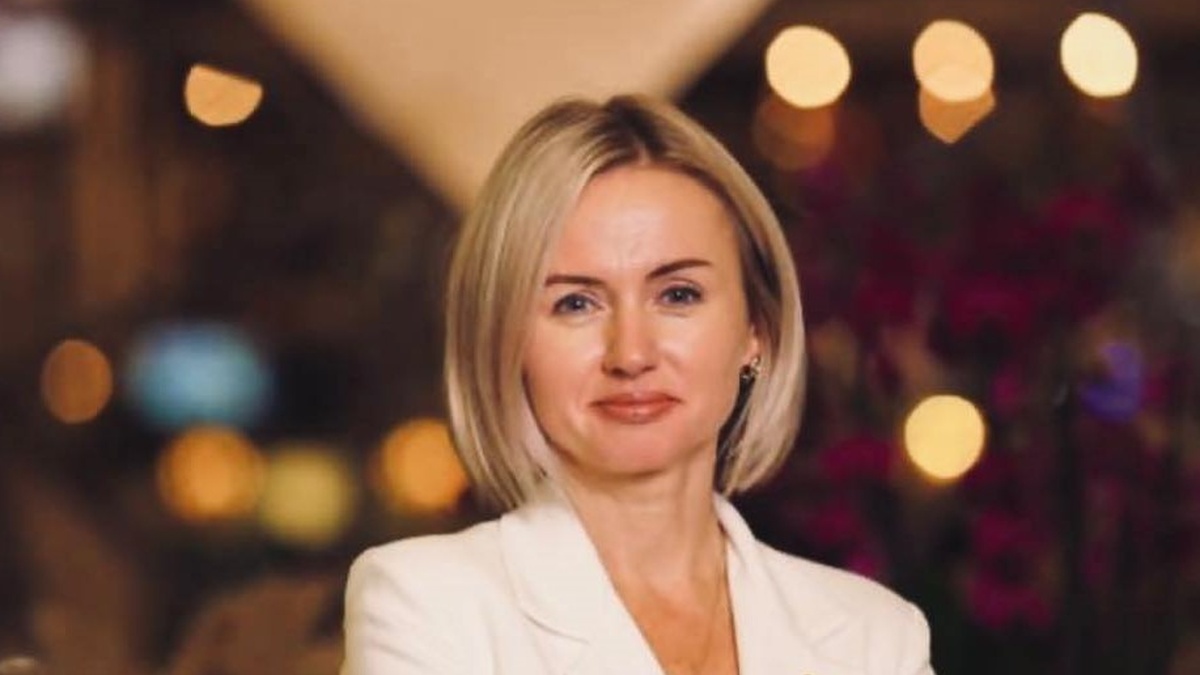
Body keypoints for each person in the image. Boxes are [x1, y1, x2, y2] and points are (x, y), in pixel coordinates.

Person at [342, 94, 934, 675]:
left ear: (757, 329)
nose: (631, 354)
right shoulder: (425, 604)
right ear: (506, 341)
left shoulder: (876, 635)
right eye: (576, 303)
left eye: (678, 295)